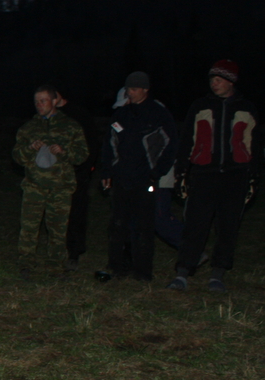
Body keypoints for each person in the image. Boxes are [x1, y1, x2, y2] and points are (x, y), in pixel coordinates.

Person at [167, 60, 260, 293]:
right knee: (195, 225)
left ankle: (218, 274)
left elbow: (254, 145)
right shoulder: (200, 106)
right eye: (212, 79)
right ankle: (183, 272)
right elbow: (187, 140)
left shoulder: (247, 108)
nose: (214, 84)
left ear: (231, 82)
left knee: (228, 227)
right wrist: (181, 172)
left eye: (218, 80)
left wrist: (253, 177)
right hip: (203, 174)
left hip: (235, 175)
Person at [98, 72, 177, 282]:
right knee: (118, 224)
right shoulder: (121, 115)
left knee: (144, 226)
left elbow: (170, 145)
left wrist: (156, 172)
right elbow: (109, 144)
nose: (130, 93)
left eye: (134, 89)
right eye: (128, 89)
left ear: (145, 89)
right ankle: (117, 266)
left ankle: (142, 271)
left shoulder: (158, 114)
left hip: (145, 179)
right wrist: (106, 171)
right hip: (121, 178)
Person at [12, 85, 88, 279]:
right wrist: (30, 149)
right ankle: (26, 264)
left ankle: (55, 265)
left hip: (60, 187)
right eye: (36, 101)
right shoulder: (29, 128)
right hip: (34, 186)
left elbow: (82, 155)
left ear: (54, 101)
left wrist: (63, 152)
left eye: (43, 101)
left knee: (58, 229)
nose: (39, 105)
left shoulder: (70, 127)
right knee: (29, 228)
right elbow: (17, 156)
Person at [54, 88, 99, 269]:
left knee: (76, 212)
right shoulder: (50, 115)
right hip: (55, 174)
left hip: (77, 173)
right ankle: (58, 249)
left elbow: (91, 142)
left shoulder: (79, 115)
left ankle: (74, 251)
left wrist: (86, 168)